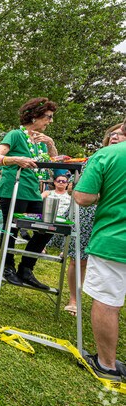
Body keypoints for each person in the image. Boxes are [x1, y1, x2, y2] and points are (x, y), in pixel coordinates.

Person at [73, 122, 126, 382]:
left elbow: (82, 196)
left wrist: (101, 195)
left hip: (114, 240)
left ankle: (106, 363)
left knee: (107, 300)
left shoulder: (107, 154)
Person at [0, 97, 58, 290]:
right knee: (10, 229)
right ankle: (7, 266)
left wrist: (51, 143)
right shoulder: (15, 135)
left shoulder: (41, 141)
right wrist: (17, 159)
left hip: (33, 192)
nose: (50, 121)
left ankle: (26, 269)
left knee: (47, 228)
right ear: (35, 116)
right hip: (13, 188)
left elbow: (55, 163)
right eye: (48, 117)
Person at [64, 122, 126, 316]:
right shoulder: (93, 158)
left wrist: (102, 196)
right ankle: (74, 299)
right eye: (111, 134)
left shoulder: (112, 156)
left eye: (119, 134)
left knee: (107, 287)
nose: (114, 137)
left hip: (108, 222)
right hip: (86, 214)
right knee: (78, 259)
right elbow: (77, 190)